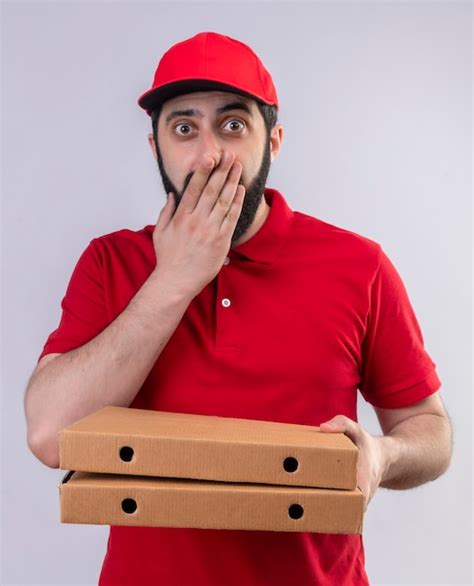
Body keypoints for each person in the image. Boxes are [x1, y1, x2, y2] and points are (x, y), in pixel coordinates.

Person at [24, 31, 453, 586]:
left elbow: (430, 430)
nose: (209, 155)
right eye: (184, 128)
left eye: (232, 125)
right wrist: (175, 278)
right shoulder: (110, 263)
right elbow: (51, 438)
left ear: (272, 141)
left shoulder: (360, 264)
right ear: (155, 147)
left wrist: (383, 455)